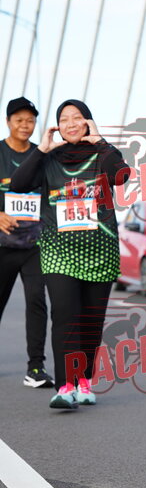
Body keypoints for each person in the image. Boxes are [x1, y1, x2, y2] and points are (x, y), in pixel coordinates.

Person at [10, 99, 131, 410]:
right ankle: (65, 386)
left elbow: (121, 176)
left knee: (91, 321)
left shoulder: (102, 155)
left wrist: (100, 140)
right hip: (59, 252)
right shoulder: (49, 158)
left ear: (88, 122)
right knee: (64, 316)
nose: (71, 123)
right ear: (57, 127)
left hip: (100, 251)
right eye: (64, 119)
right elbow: (20, 185)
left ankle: (84, 380)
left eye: (77, 117)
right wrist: (42, 149)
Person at [0, 96, 53, 388]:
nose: (25, 125)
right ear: (8, 121)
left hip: (36, 245)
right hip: (3, 245)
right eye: (19, 120)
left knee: (36, 301)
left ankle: (35, 368)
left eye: (30, 120)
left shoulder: (41, 155)